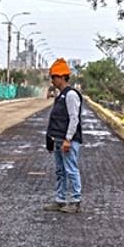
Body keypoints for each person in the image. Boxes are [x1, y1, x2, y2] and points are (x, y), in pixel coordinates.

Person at [43, 58, 83, 214]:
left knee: (71, 170)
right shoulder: (61, 95)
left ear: (61, 77)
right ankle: (60, 200)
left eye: (53, 77)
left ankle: (75, 200)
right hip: (58, 139)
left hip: (68, 141)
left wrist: (68, 139)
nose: (52, 81)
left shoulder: (71, 95)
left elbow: (74, 118)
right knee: (60, 171)